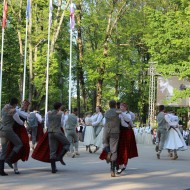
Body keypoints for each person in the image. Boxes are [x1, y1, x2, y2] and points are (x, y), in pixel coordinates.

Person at [0, 98, 24, 176]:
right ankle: (9, 159)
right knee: (19, 144)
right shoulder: (14, 111)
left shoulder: (4, 108)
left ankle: (1, 170)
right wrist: (23, 122)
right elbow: (19, 122)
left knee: (3, 150)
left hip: (2, 129)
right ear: (15, 104)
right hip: (8, 130)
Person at [46, 102, 70, 173]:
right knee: (67, 144)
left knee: (52, 151)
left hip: (50, 132)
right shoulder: (61, 114)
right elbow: (62, 124)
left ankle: (53, 169)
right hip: (57, 131)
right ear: (59, 107)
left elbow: (47, 123)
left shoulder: (49, 113)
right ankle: (60, 157)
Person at [116, 103, 138, 174]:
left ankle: (124, 164)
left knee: (126, 149)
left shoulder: (128, 113)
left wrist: (122, 114)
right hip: (120, 132)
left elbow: (129, 119)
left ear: (125, 108)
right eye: (120, 107)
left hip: (127, 132)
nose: (121, 108)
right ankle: (119, 164)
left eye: (122, 107)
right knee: (120, 149)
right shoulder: (118, 113)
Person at [101, 100, 121, 177]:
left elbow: (104, 122)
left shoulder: (106, 112)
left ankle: (108, 152)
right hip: (115, 131)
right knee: (114, 149)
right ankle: (112, 171)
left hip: (106, 130)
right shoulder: (118, 112)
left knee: (104, 142)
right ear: (115, 105)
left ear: (109, 105)